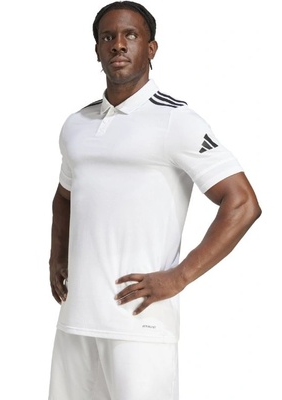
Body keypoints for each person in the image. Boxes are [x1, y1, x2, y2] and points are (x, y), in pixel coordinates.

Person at [48, 1, 262, 399]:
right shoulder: (77, 124)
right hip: (76, 319)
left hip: (141, 324)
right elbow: (65, 195)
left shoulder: (176, 121)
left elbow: (243, 203)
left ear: (151, 48)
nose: (118, 44)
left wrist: (179, 276)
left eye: (130, 35)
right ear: (97, 49)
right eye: (108, 37)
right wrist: (57, 254)